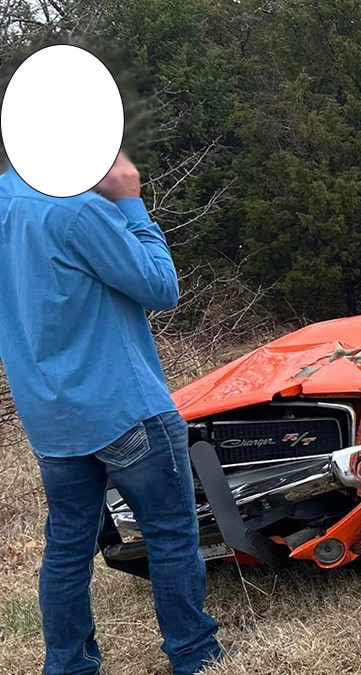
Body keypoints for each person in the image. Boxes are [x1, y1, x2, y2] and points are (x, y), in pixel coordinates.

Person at [0, 152, 223, 675]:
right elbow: (161, 288)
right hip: (123, 405)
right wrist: (130, 203)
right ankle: (192, 653)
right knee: (168, 531)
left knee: (67, 544)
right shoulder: (78, 209)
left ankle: (69, 665)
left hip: (49, 418)